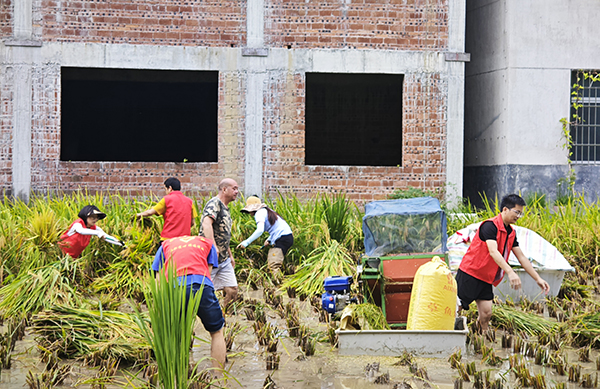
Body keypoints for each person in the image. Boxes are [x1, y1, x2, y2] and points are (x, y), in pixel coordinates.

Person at [456, 194, 550, 331]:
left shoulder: (511, 232)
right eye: (516, 212)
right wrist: (510, 272)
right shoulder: (489, 226)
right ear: (505, 209)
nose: (518, 216)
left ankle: (480, 339)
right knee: (456, 308)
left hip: (486, 278)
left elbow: (521, 257)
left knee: (486, 313)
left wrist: (538, 278)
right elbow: (493, 251)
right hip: (470, 274)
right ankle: (444, 335)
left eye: (521, 214)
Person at [152, 235, 226, 372]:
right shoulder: (208, 243)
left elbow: (158, 279)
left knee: (175, 332)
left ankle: (179, 374)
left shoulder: (166, 244)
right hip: (201, 285)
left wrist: (159, 307)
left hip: (174, 287)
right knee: (216, 332)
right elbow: (207, 274)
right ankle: (219, 378)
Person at [199, 178, 239, 308]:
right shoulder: (214, 203)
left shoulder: (225, 208)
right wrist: (213, 247)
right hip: (209, 257)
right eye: (234, 188)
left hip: (223, 259)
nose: (237, 192)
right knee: (201, 292)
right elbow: (206, 223)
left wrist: (230, 255)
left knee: (232, 290)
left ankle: (224, 318)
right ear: (224, 189)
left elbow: (223, 234)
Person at [236, 196, 294, 280]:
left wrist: (246, 242)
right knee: (274, 264)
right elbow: (277, 227)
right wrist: (269, 239)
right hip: (286, 237)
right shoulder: (267, 211)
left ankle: (280, 287)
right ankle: (281, 284)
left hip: (282, 239)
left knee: (273, 266)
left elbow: (260, 230)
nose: (249, 214)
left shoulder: (259, 213)